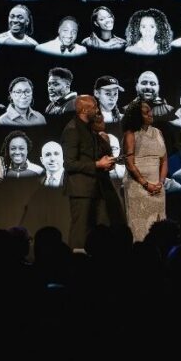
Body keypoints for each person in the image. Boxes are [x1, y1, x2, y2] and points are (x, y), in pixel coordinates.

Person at [62, 95, 117, 249]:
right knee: (81, 229)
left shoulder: (89, 129)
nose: (98, 110)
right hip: (80, 189)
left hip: (95, 186)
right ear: (85, 110)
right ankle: (76, 259)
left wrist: (105, 163)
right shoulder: (72, 130)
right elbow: (69, 164)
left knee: (97, 229)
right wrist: (97, 164)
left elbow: (92, 155)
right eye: (95, 107)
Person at [121, 101, 168, 241]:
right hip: (138, 186)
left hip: (157, 187)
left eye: (150, 111)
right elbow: (129, 164)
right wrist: (146, 184)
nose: (150, 114)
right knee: (140, 228)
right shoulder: (131, 134)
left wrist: (160, 182)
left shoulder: (158, 132)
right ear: (137, 116)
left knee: (158, 226)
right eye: (146, 112)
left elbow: (164, 161)